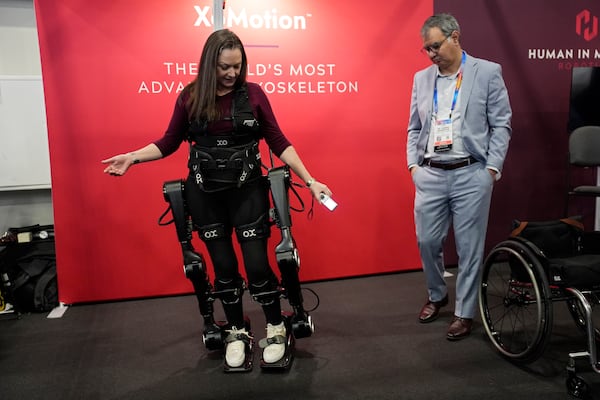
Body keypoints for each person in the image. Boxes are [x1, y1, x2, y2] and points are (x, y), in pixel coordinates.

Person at [102, 29, 331, 367]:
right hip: (205, 193)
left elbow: (278, 141)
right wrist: (132, 157)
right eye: (225, 67)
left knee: (256, 265)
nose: (232, 73)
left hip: (247, 191)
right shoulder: (190, 97)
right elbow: (168, 142)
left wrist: (311, 180)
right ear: (210, 64)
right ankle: (237, 330)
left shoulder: (253, 94)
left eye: (237, 66)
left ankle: (276, 326)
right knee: (223, 268)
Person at [406, 14, 512, 340]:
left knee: (469, 248)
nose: (431, 53)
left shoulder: (487, 72)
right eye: (426, 49)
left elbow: (502, 123)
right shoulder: (421, 79)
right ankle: (437, 294)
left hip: (471, 173)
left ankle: (464, 313)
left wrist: (491, 169)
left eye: (435, 45)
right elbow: (413, 127)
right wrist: (414, 166)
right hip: (432, 174)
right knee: (427, 242)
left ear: (455, 37)